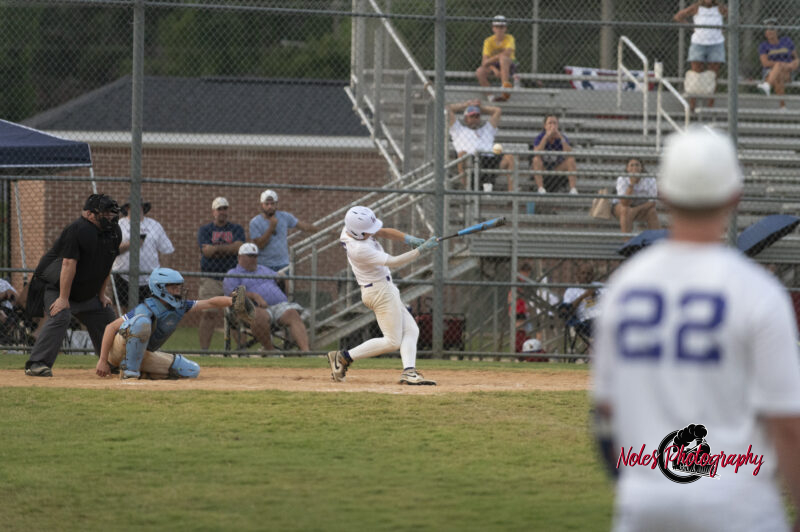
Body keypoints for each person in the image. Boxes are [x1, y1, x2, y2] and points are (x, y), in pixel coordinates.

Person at [592, 128, 800, 531]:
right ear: (733, 196)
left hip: (646, 505)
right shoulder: (758, 291)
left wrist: (643, 483)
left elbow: (606, 412)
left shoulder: (625, 287)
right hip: (740, 504)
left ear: (665, 197)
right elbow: (788, 423)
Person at [327, 206, 439, 385]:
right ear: (357, 232)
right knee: (392, 341)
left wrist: (408, 239)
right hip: (379, 291)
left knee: (411, 330)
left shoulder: (351, 229)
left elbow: (383, 231)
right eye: (367, 232)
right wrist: (421, 250)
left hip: (382, 288)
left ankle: (409, 371)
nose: (372, 233)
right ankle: (343, 357)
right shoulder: (358, 249)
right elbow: (394, 262)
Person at [24, 193, 122, 377]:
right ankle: (37, 363)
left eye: (112, 213)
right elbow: (68, 264)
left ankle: (111, 361)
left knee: (106, 315)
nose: (110, 217)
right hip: (55, 287)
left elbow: (107, 265)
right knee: (60, 314)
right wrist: (63, 298)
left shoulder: (114, 232)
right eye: (105, 213)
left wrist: (102, 294)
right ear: (90, 214)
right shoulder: (78, 230)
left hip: (85, 293)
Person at [96, 268, 227, 379]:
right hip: (119, 349)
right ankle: (129, 372)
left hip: (141, 354)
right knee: (141, 322)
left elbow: (211, 303)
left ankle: (133, 370)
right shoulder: (146, 308)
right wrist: (102, 361)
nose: (177, 291)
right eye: (173, 287)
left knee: (191, 371)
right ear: (160, 288)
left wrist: (235, 300)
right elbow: (111, 327)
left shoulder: (179, 306)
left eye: (178, 287)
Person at [222, 242, 310, 352]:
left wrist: (285, 292)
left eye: (255, 256)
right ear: (240, 257)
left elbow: (280, 277)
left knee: (293, 314)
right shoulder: (233, 273)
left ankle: (306, 352)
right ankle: (270, 351)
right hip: (254, 308)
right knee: (258, 316)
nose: (253, 259)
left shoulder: (263, 269)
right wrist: (254, 296)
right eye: (250, 256)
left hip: (278, 306)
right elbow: (232, 294)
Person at [197, 197, 246, 350]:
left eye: (225, 208)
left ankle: (242, 352)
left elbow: (239, 247)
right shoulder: (205, 230)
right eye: (219, 209)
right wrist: (228, 248)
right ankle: (204, 352)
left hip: (233, 278)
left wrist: (216, 249)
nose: (222, 212)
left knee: (237, 314)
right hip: (211, 277)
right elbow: (206, 252)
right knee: (208, 314)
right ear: (213, 212)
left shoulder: (236, 229)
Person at [112, 200, 174, 311]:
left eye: (140, 206)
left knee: (150, 310)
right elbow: (112, 250)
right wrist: (131, 244)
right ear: (127, 209)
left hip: (149, 278)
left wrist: (163, 274)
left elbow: (167, 250)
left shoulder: (154, 225)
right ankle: (124, 329)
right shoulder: (120, 225)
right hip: (123, 277)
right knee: (123, 311)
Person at [448, 99, 515, 191]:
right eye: (472, 117)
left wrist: (480, 107)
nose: (475, 119)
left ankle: (512, 195)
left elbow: (497, 111)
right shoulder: (458, 130)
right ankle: (466, 189)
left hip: (490, 160)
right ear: (466, 119)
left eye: (477, 116)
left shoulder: (487, 129)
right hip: (470, 160)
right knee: (461, 154)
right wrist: (465, 104)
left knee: (510, 158)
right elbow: (447, 109)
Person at [673, 0, 727, 112]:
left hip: (716, 44)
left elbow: (734, 18)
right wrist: (692, 28)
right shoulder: (696, 8)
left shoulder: (720, 9)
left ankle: (710, 105)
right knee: (696, 74)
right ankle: (693, 104)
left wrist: (723, 29)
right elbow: (678, 17)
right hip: (699, 43)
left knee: (713, 75)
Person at [248, 189, 318, 275]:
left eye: (272, 203)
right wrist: (271, 228)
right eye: (267, 204)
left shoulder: (284, 216)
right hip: (264, 265)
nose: (270, 206)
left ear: (276, 204)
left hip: (283, 264)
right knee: (265, 288)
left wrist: (322, 230)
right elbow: (260, 245)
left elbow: (304, 226)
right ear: (262, 205)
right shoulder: (255, 222)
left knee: (284, 288)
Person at [757, 18, 799, 110]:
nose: (769, 31)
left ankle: (767, 85)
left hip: (787, 71)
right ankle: (783, 107)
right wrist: (779, 65)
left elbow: (796, 60)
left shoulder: (786, 41)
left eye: (772, 28)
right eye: (767, 29)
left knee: (779, 71)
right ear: (765, 32)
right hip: (769, 71)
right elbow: (765, 63)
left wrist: (786, 65)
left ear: (777, 30)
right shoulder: (763, 46)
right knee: (777, 74)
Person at [530, 115, 578, 194]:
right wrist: (546, 138)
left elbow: (569, 153)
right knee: (536, 160)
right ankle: (541, 188)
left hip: (557, 167)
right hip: (544, 167)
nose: (552, 126)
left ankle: (573, 189)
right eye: (550, 123)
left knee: (571, 160)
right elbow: (536, 152)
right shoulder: (540, 137)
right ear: (545, 126)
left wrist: (561, 139)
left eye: (555, 123)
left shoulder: (562, 137)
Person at [475, 15, 518, 102]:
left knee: (503, 58)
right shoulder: (488, 41)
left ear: (505, 28)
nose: (499, 29)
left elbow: (508, 53)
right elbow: (484, 62)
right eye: (497, 27)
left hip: (509, 64)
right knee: (479, 72)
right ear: (493, 28)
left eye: (501, 27)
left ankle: (505, 89)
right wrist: (494, 69)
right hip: (494, 65)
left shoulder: (509, 38)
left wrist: (494, 58)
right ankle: (490, 97)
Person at [612, 158, 661, 234]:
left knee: (652, 211)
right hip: (622, 206)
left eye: (637, 165)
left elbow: (652, 202)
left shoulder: (650, 180)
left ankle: (656, 240)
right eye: (631, 165)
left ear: (641, 168)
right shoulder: (622, 179)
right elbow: (624, 203)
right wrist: (631, 184)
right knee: (625, 210)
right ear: (627, 168)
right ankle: (627, 242)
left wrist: (635, 210)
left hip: (641, 207)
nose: (634, 168)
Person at [562, 263, 602, 342]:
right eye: (583, 273)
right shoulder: (571, 291)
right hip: (587, 322)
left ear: (593, 276)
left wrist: (597, 296)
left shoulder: (600, 286)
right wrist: (584, 296)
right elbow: (566, 310)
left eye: (589, 273)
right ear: (577, 275)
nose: (586, 276)